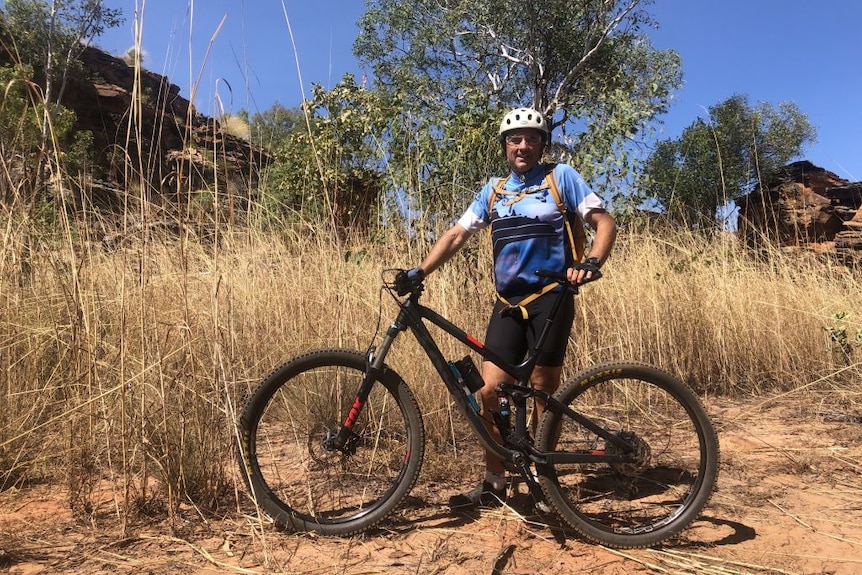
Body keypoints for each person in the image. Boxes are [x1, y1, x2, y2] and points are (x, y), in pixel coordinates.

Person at [409, 106, 617, 508]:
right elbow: (456, 234)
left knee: (542, 393)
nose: (522, 145)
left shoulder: (562, 179)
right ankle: (494, 482)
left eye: (531, 138)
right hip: (507, 304)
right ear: (505, 146)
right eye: (514, 139)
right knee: (486, 391)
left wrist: (591, 263)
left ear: (542, 144)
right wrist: (420, 271)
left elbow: (604, 223)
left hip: (551, 299)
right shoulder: (494, 190)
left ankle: (545, 484)